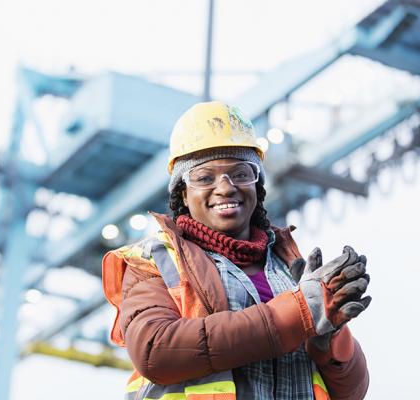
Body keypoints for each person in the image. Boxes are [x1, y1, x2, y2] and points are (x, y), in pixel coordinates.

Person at [102, 101, 372, 400]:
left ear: (257, 185)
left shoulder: (288, 268)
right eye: (204, 178)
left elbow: (351, 393)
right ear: (183, 193)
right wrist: (298, 313)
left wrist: (330, 341)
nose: (226, 187)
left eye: (241, 173)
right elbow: (156, 350)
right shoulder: (156, 260)